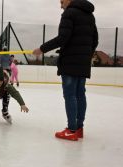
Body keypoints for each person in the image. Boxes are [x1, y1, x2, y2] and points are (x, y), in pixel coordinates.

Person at [33, 0, 98, 141]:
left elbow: (62, 38)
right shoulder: (89, 15)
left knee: (70, 95)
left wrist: (41, 49)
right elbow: (95, 40)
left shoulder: (69, 13)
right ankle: (79, 128)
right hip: (83, 62)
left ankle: (71, 130)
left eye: (62, 1)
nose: (60, 5)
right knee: (80, 94)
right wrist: (86, 54)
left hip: (70, 61)